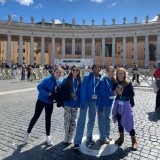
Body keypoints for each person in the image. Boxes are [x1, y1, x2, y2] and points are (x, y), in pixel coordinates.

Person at [24, 66, 63, 146]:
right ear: (54, 72)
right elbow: (39, 87)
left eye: (60, 72)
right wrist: (48, 94)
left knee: (48, 119)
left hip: (50, 103)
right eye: (57, 72)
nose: (58, 74)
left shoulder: (60, 81)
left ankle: (48, 136)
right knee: (36, 116)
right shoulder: (48, 79)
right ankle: (28, 132)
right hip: (41, 100)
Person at [73, 63, 101, 150]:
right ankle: (77, 142)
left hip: (94, 102)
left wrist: (98, 104)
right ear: (92, 69)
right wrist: (82, 102)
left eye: (98, 68)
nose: (97, 69)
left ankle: (89, 137)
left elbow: (99, 92)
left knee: (92, 120)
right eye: (95, 68)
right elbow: (83, 89)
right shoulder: (87, 76)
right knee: (81, 120)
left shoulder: (100, 78)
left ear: (100, 69)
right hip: (85, 101)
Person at [112, 67, 138, 151]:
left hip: (126, 104)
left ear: (124, 74)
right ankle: (121, 138)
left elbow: (132, 94)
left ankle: (134, 141)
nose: (120, 75)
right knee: (120, 122)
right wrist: (115, 91)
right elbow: (113, 90)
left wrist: (122, 93)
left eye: (121, 73)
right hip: (118, 104)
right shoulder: (115, 82)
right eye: (118, 73)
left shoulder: (128, 83)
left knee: (129, 121)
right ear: (117, 74)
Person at [61, 65, 81, 144]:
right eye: (73, 70)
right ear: (71, 70)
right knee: (66, 119)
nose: (75, 71)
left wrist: (80, 102)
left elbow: (80, 92)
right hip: (67, 103)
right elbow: (61, 88)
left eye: (77, 70)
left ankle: (71, 136)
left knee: (73, 120)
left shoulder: (80, 80)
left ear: (79, 71)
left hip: (75, 104)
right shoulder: (66, 79)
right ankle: (66, 135)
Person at [98, 66, 116, 144]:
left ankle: (107, 134)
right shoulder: (103, 80)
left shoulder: (113, 80)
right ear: (107, 72)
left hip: (109, 103)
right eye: (110, 71)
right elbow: (101, 92)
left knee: (107, 119)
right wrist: (112, 93)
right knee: (102, 120)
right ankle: (102, 137)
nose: (111, 73)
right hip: (102, 103)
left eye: (113, 71)